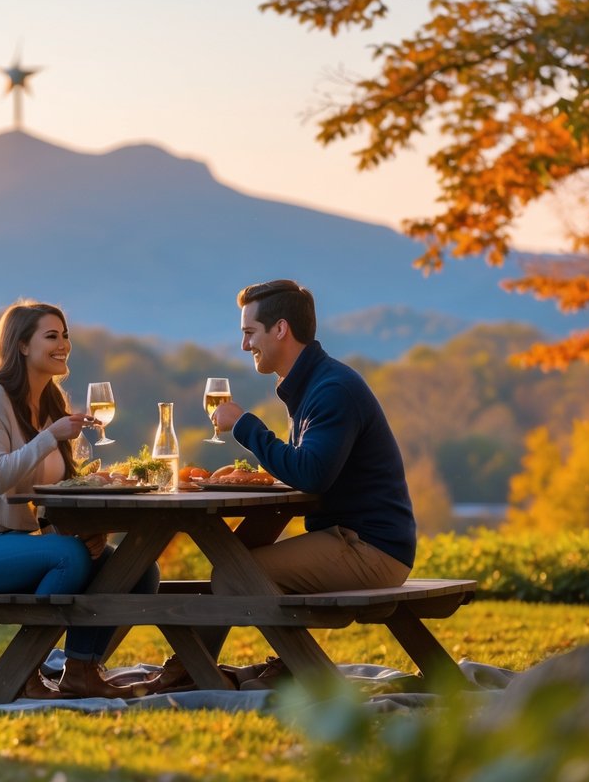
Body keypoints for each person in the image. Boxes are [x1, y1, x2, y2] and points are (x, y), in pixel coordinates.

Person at [146, 279, 416, 692]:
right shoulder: (314, 384)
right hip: (352, 539)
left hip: (370, 549)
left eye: (248, 333)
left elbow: (310, 474)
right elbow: (309, 471)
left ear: (281, 329)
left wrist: (245, 426)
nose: (244, 345)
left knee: (234, 575)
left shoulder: (332, 390)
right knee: (237, 561)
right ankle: (211, 666)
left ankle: (211, 670)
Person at [0, 300, 160, 699]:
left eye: (66, 336)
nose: (64, 344)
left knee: (139, 568)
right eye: (51, 336)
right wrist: (50, 436)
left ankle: (81, 669)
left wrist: (82, 525)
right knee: (68, 557)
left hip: (23, 544)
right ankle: (26, 671)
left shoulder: (50, 402)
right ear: (22, 345)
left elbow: (50, 495)